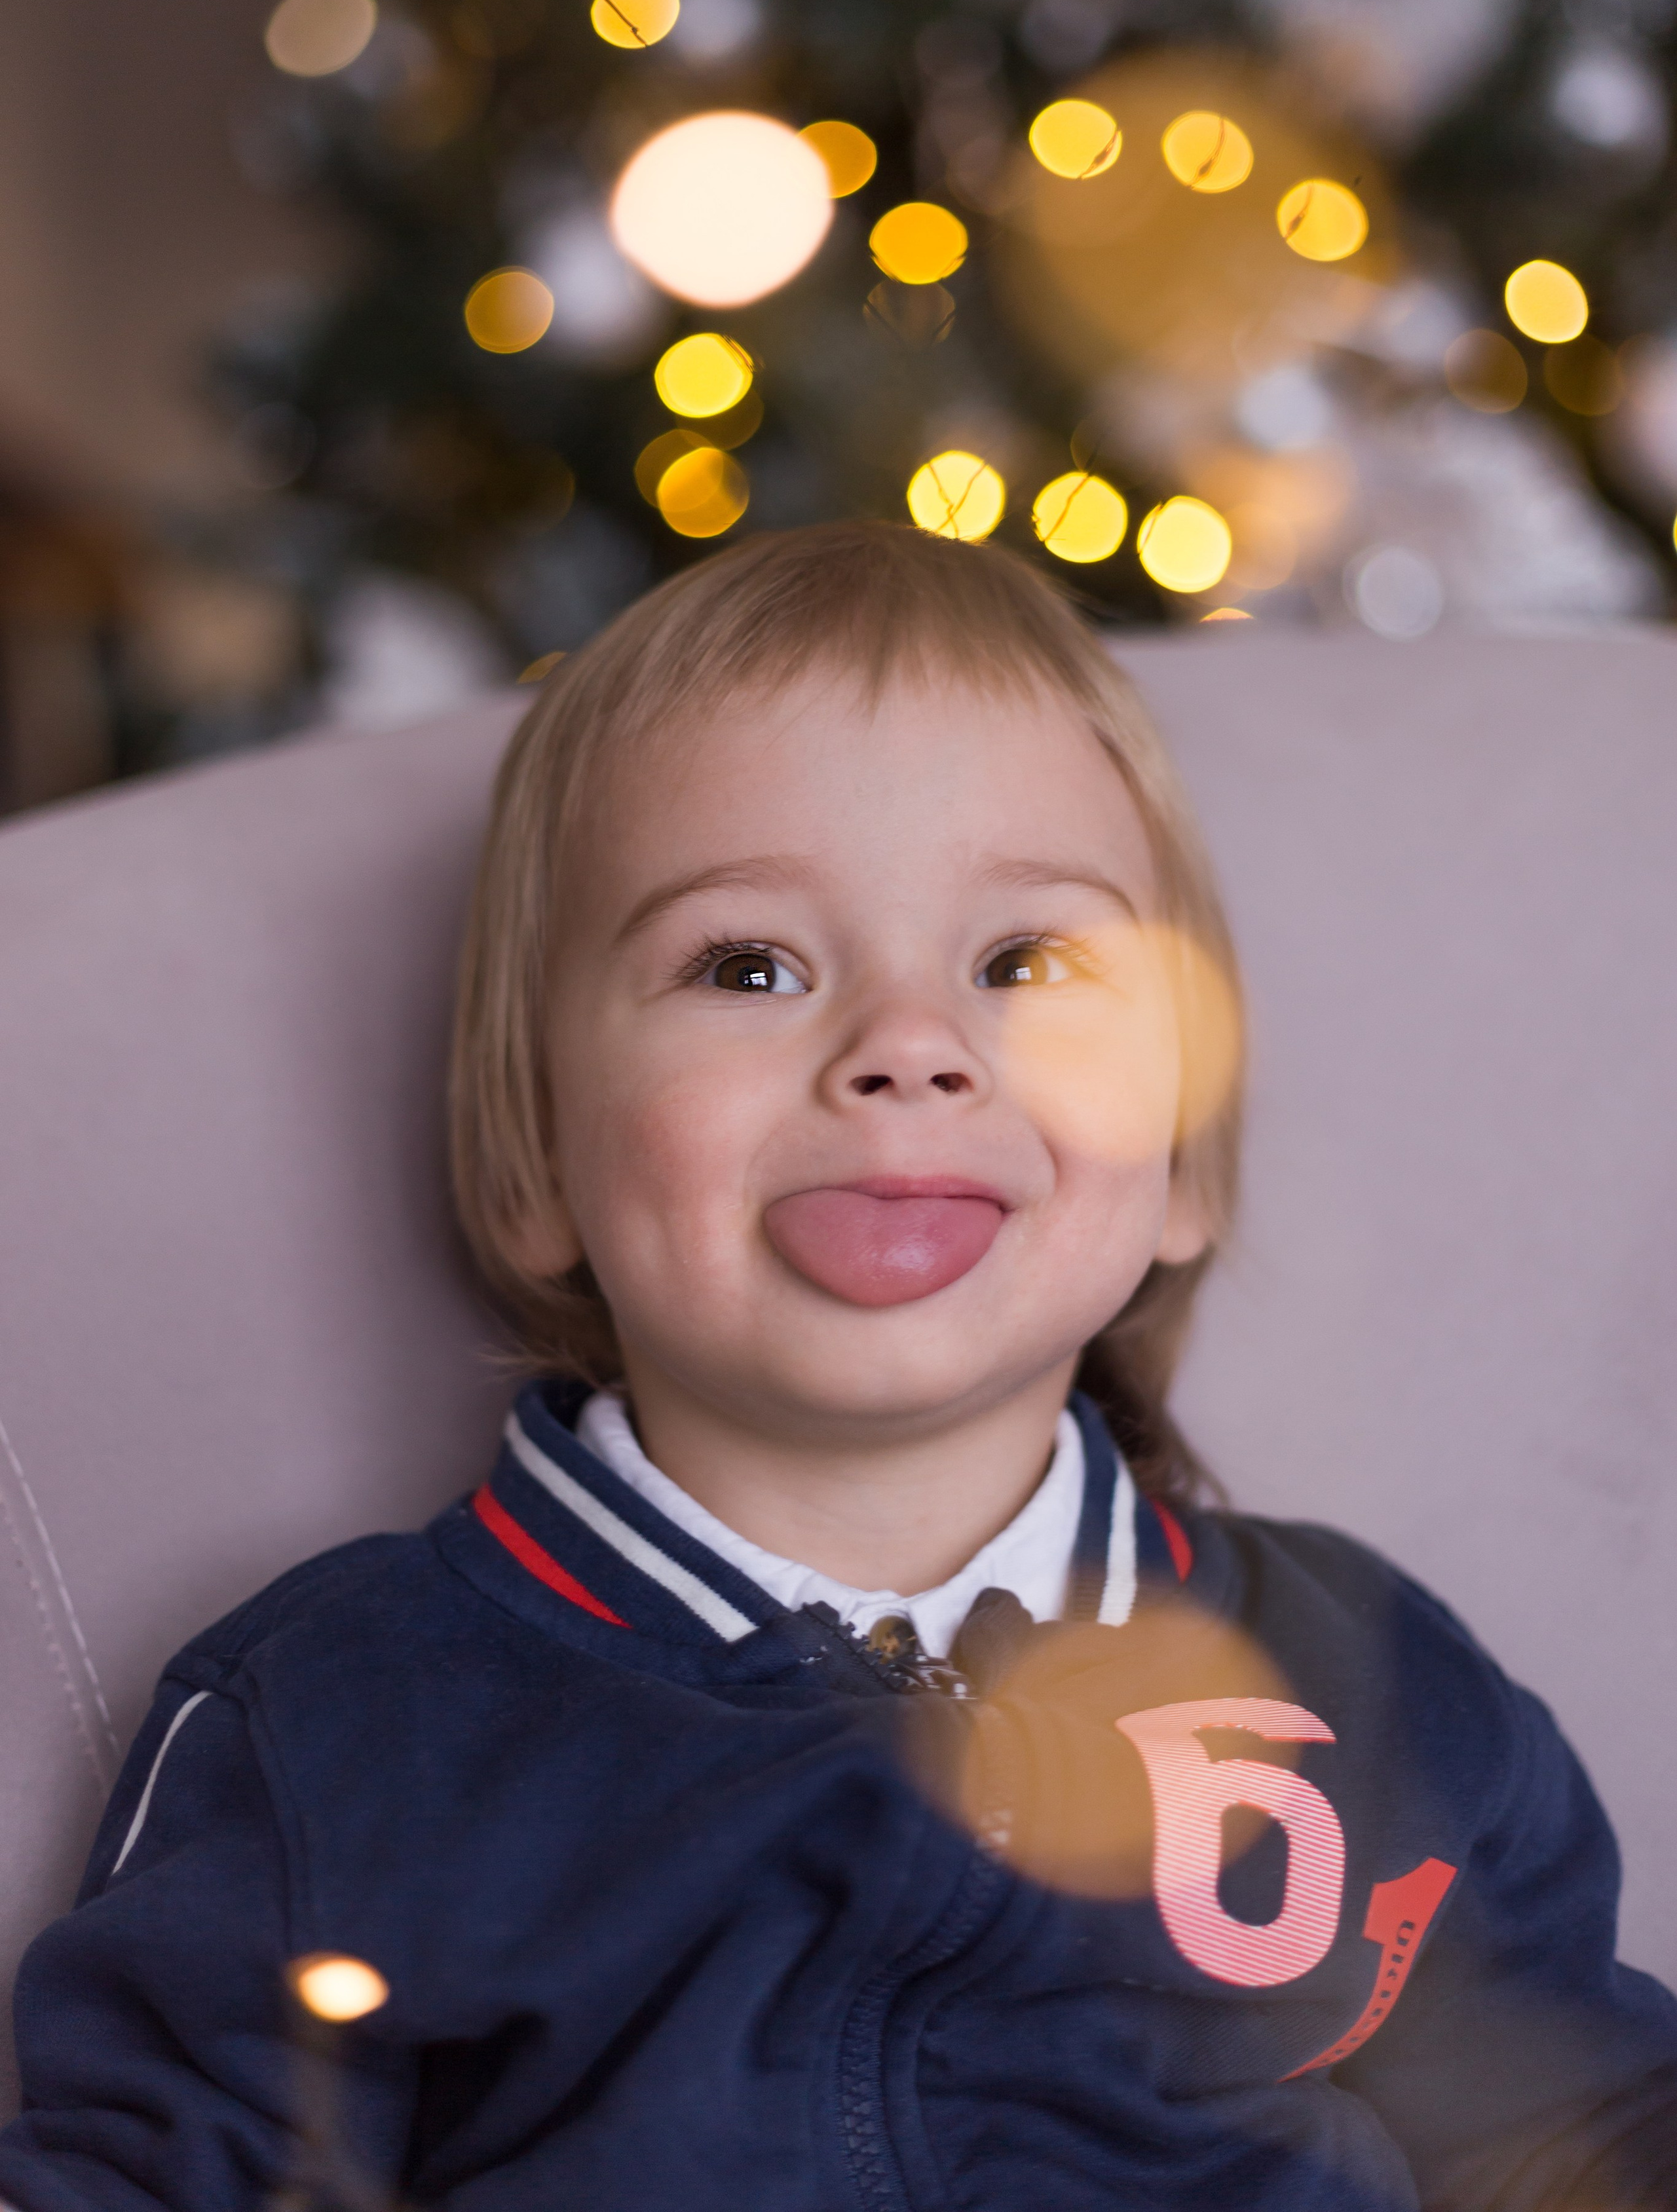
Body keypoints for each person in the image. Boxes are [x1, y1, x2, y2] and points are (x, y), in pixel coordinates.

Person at [2, 519, 1674, 2212]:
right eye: (751, 967)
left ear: (1181, 1167)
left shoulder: (1370, 1690)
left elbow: (1594, 2144)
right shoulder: (340, 1727)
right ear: (531, 1164)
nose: (907, 1050)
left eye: (1027, 963)